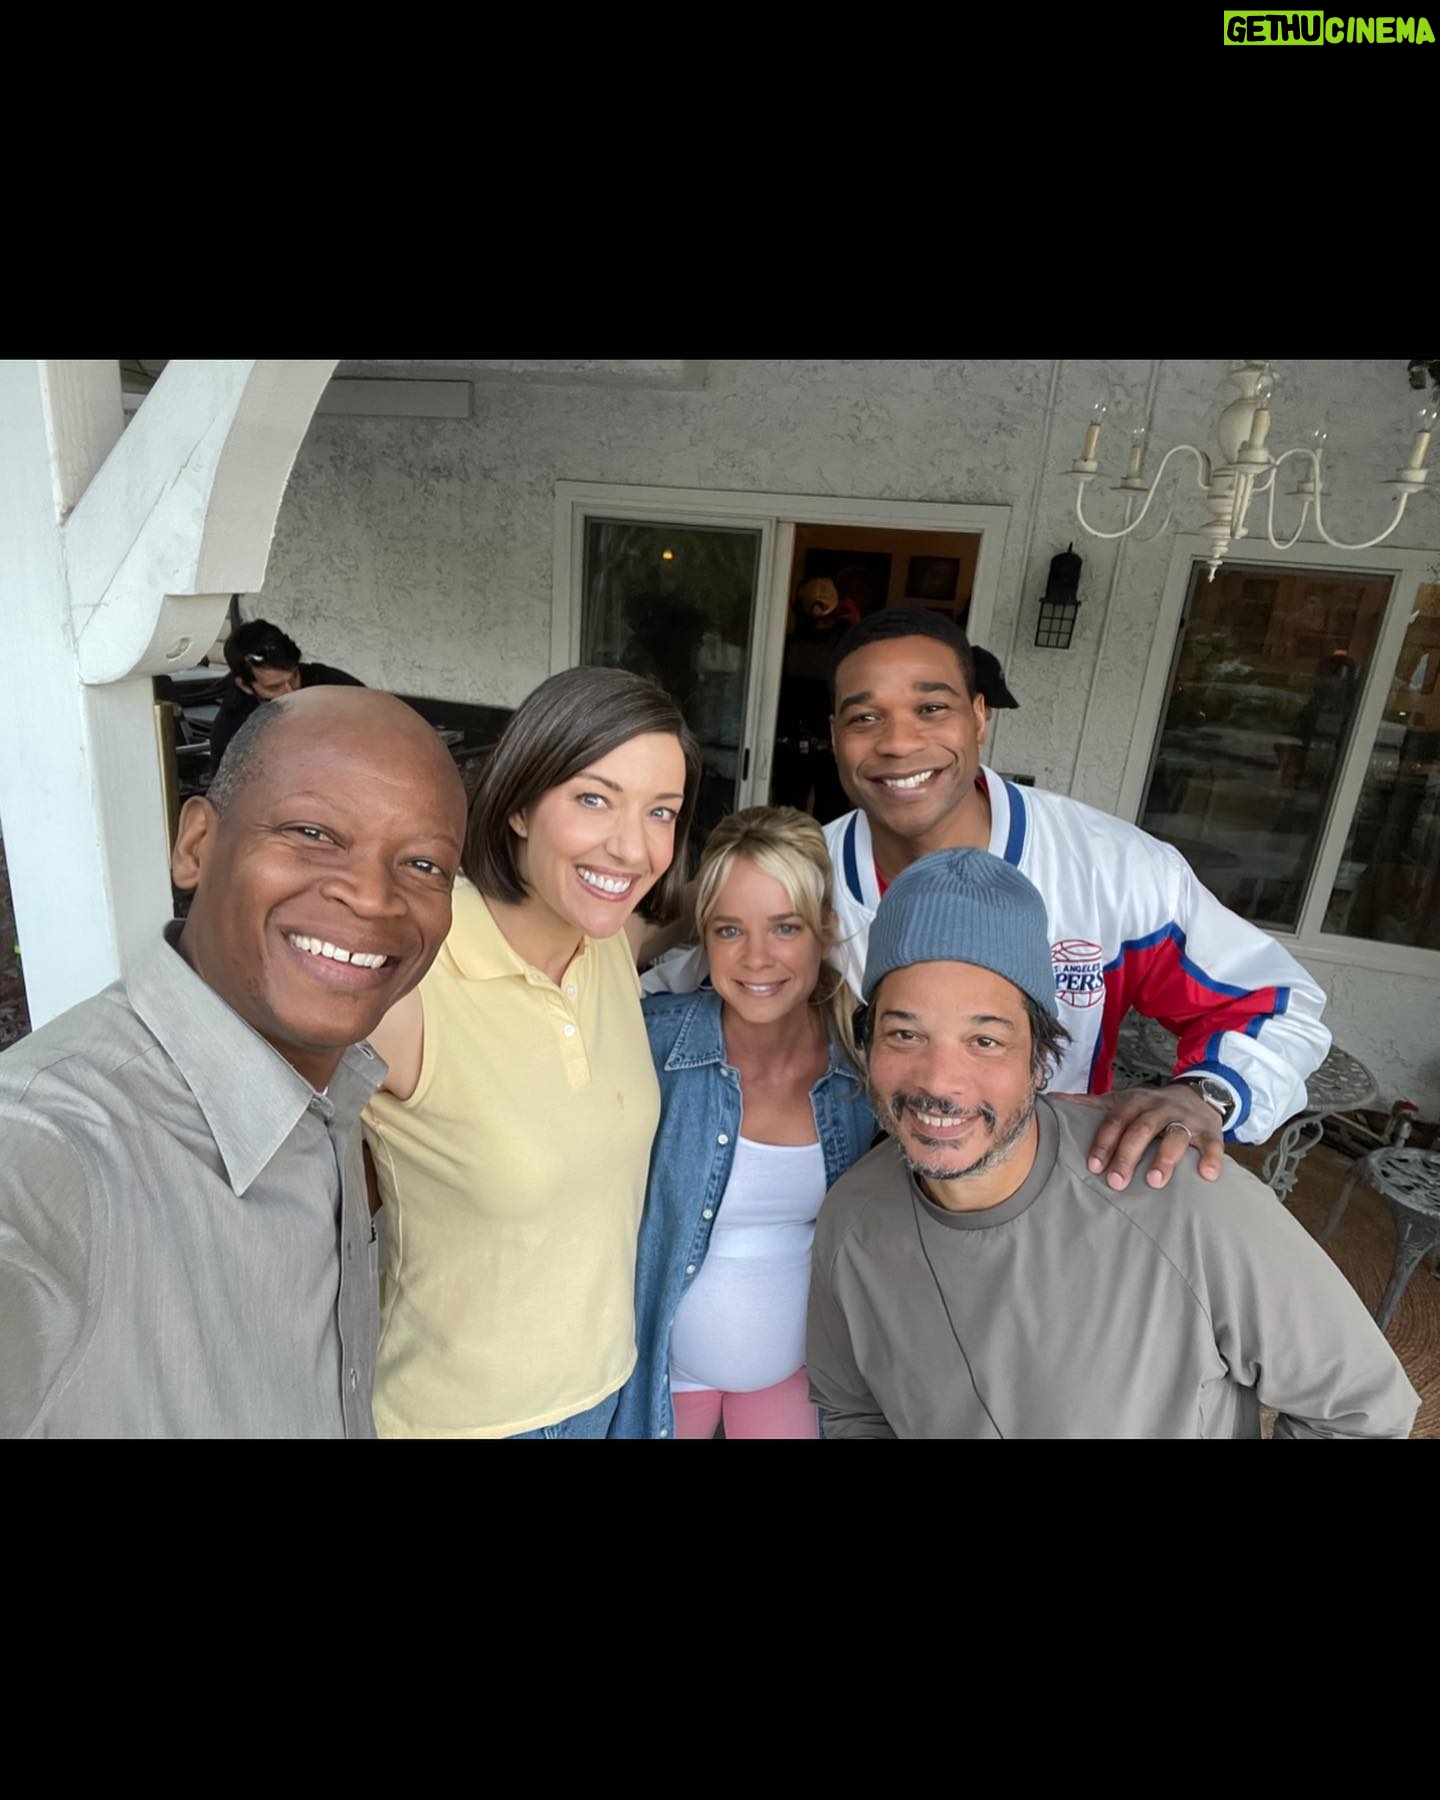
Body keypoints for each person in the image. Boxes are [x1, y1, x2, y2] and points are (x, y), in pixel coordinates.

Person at [806, 848, 1420, 1440]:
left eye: (985, 1041)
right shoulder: (852, 1221)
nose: (939, 1082)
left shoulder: (1182, 1202)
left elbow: (1362, 1409)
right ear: (867, 1044)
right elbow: (854, 1411)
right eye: (905, 1034)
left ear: (1040, 1060)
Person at [0, 687, 468, 1439]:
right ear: (196, 845)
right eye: (314, 832)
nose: (373, 898)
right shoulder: (51, 1151)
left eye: (423, 863)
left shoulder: (332, 1094)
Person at [820, 606, 1332, 1190]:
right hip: (853, 1202)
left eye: (931, 708)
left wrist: (1205, 1094)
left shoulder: (1110, 868)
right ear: (835, 735)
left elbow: (1274, 1004)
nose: (898, 742)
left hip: (1055, 1197)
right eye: (865, 717)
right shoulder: (800, 884)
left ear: (979, 716)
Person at [363, 666, 702, 1440]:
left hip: (609, 1389)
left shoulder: (609, 941)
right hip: (465, 1421)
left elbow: (701, 909)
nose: (633, 847)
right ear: (518, 803)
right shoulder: (415, 973)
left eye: (661, 811)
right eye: (594, 799)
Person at [611, 808, 876, 1441]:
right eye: (730, 929)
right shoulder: (652, 1042)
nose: (757, 958)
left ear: (825, 929)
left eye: (785, 927)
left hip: (796, 1374)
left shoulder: (863, 1065)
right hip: (659, 1378)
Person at [207, 617, 365, 777]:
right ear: (244, 686)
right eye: (274, 687)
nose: (290, 692)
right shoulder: (231, 728)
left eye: (294, 677)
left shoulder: (332, 685)